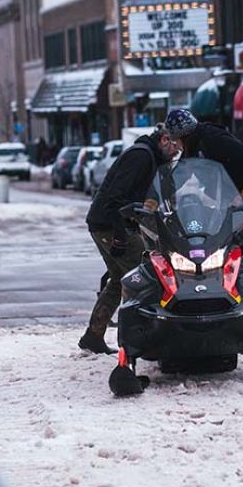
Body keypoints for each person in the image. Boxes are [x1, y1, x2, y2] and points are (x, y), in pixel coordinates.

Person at [81, 124, 181, 354]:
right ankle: (144, 337)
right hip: (109, 224)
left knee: (119, 280)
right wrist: (119, 236)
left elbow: (165, 190)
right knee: (145, 277)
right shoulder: (141, 157)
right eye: (175, 146)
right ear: (165, 139)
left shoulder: (154, 159)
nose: (177, 151)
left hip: (108, 223)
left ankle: (93, 336)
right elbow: (115, 197)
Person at [163, 108, 243, 281]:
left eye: (176, 140)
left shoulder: (213, 139)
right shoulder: (194, 147)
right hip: (235, 202)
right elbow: (183, 172)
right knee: (230, 250)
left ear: (184, 135)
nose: (176, 145)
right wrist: (165, 194)